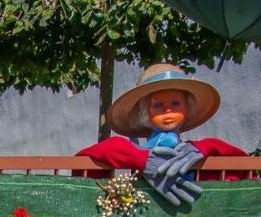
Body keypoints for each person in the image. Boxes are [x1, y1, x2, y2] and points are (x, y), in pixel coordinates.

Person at [76, 63, 247, 204]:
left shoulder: (192, 153)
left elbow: (245, 169)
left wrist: (206, 147)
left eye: (175, 103)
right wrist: (140, 159)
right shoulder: (137, 150)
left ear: (187, 107)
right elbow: (84, 162)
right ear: (145, 111)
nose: (167, 111)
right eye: (158, 105)